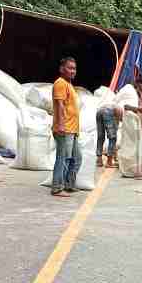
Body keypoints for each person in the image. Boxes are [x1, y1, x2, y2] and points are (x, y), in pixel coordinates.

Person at [51, 57, 82, 197]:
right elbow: (60, 105)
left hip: (72, 130)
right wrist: (61, 125)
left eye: (74, 68)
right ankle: (57, 187)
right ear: (62, 69)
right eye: (69, 68)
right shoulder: (60, 83)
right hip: (65, 129)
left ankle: (69, 184)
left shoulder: (69, 85)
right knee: (63, 158)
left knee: (76, 158)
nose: (72, 71)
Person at [95, 103, 121, 169]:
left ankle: (99, 160)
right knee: (113, 138)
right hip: (108, 111)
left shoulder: (119, 105)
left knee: (100, 136)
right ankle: (109, 162)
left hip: (99, 110)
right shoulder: (124, 113)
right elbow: (116, 125)